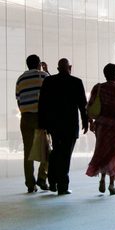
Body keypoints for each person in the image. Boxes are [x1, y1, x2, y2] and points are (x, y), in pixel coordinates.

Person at [38, 58, 88, 195]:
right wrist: (86, 121)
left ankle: (53, 181)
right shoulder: (76, 82)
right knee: (65, 155)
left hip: (53, 125)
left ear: (58, 68)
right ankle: (62, 186)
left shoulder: (49, 81)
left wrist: (42, 123)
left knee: (56, 152)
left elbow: (42, 103)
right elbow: (82, 104)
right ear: (70, 67)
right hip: (70, 125)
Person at [85, 63, 115, 195]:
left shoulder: (98, 88)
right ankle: (111, 185)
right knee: (114, 153)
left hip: (101, 125)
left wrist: (90, 122)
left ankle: (102, 178)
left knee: (102, 150)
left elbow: (89, 106)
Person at [15, 54, 49, 193]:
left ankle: (30, 184)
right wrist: (47, 70)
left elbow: (18, 99)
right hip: (41, 117)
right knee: (47, 150)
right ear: (39, 64)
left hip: (25, 117)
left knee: (28, 152)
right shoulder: (43, 76)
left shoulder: (20, 79)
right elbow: (51, 90)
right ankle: (42, 177)